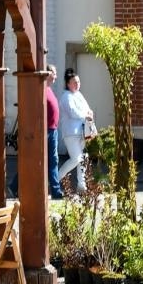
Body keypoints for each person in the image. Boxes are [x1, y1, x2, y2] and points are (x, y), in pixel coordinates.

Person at [58, 68, 94, 196]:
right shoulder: (66, 97)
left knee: (83, 158)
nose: (77, 84)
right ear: (68, 84)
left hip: (82, 132)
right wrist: (86, 115)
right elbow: (73, 112)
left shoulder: (79, 95)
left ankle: (82, 185)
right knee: (76, 159)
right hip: (71, 133)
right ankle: (56, 179)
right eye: (74, 82)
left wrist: (90, 113)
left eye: (78, 82)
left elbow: (87, 108)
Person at [46, 64, 62, 200]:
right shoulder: (41, 89)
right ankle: (56, 191)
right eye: (54, 73)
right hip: (46, 131)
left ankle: (56, 191)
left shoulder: (48, 89)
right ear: (47, 73)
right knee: (50, 160)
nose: (55, 76)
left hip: (52, 130)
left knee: (53, 161)